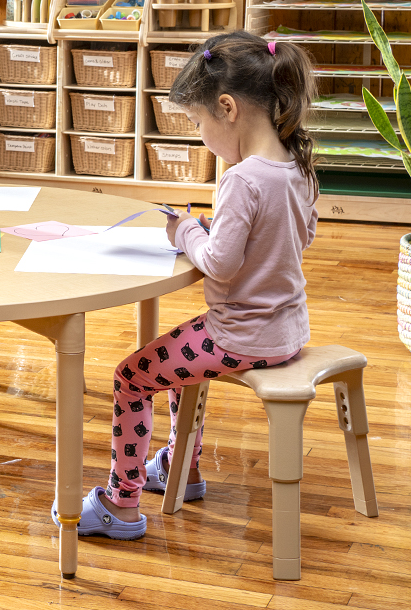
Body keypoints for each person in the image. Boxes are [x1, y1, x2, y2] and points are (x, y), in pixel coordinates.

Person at [52, 31, 319, 539]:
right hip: (287, 330)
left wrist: (186, 230)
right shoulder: (297, 165)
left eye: (198, 122)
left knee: (131, 377)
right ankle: (181, 467)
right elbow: (298, 236)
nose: (200, 135)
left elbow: (219, 264)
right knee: (178, 363)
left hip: (240, 337)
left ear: (227, 108)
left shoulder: (242, 179)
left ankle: (121, 503)